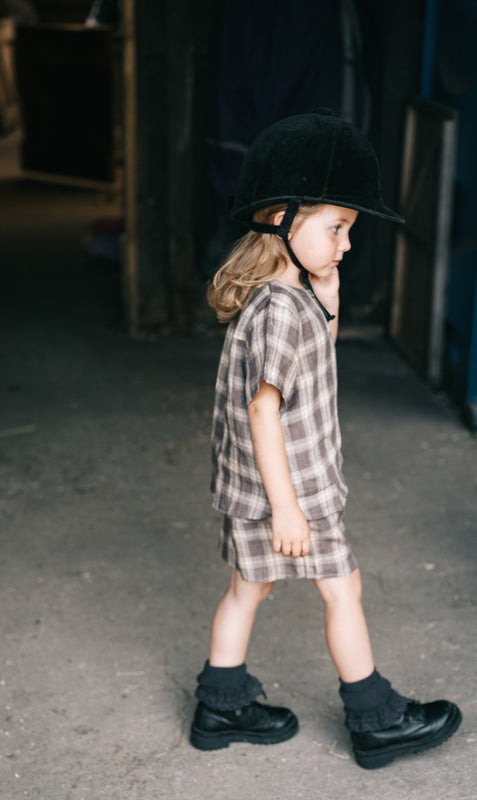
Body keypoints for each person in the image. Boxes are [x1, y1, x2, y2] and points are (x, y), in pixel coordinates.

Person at [189, 111, 462, 769]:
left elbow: (318, 360)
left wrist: (330, 293)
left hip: (252, 489)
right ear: (281, 218)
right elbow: (263, 410)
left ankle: (219, 705)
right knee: (343, 588)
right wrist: (287, 508)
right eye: (335, 228)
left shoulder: (280, 295)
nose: (344, 243)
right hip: (291, 492)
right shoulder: (280, 311)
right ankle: (375, 719)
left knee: (245, 589)